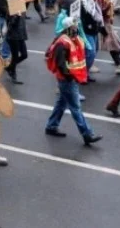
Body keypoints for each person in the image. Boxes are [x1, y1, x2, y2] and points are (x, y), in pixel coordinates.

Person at [43, 17, 102, 145]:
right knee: (75, 107)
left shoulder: (71, 39)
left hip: (70, 78)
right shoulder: (62, 43)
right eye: (75, 26)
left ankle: (51, 126)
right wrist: (70, 77)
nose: (77, 27)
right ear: (69, 27)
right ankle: (87, 134)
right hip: (67, 80)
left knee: (61, 103)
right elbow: (61, 64)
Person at [0, 0, 27, 84]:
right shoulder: (10, 10)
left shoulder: (20, 8)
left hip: (20, 35)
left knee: (24, 55)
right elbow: (11, 24)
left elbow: (22, 22)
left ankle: (9, 67)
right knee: (14, 56)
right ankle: (13, 73)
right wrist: (17, 16)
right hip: (13, 36)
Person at [97, 0, 120, 74]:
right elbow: (99, 11)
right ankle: (118, 64)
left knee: (114, 43)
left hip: (108, 23)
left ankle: (118, 62)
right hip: (103, 23)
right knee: (113, 44)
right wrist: (109, 5)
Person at [79, 0, 104, 78]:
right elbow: (82, 19)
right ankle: (83, 73)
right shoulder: (83, 5)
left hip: (94, 31)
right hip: (87, 32)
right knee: (90, 53)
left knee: (95, 50)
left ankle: (86, 72)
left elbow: (98, 17)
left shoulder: (94, 4)